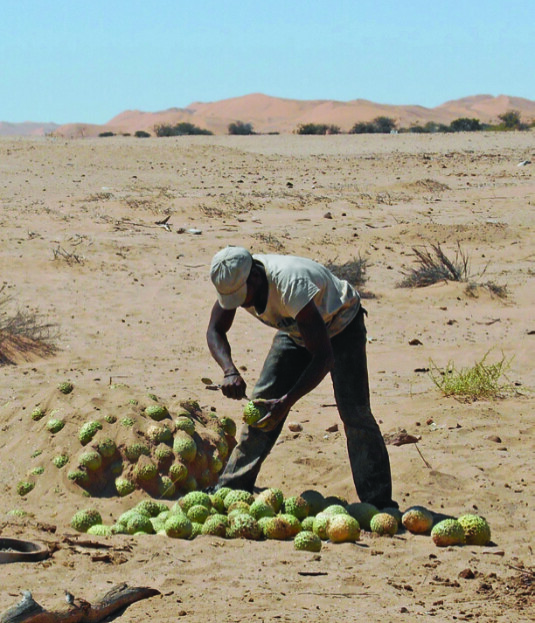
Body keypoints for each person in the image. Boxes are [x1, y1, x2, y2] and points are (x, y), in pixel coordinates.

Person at [206, 245, 397, 509]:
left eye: (242, 296)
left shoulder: (290, 285)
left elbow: (324, 357)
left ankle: (379, 502)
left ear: (256, 278)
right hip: (295, 329)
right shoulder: (234, 279)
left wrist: (286, 401)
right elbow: (215, 330)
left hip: (340, 323)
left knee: (355, 412)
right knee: (261, 408)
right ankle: (231, 488)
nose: (239, 304)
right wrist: (229, 370)